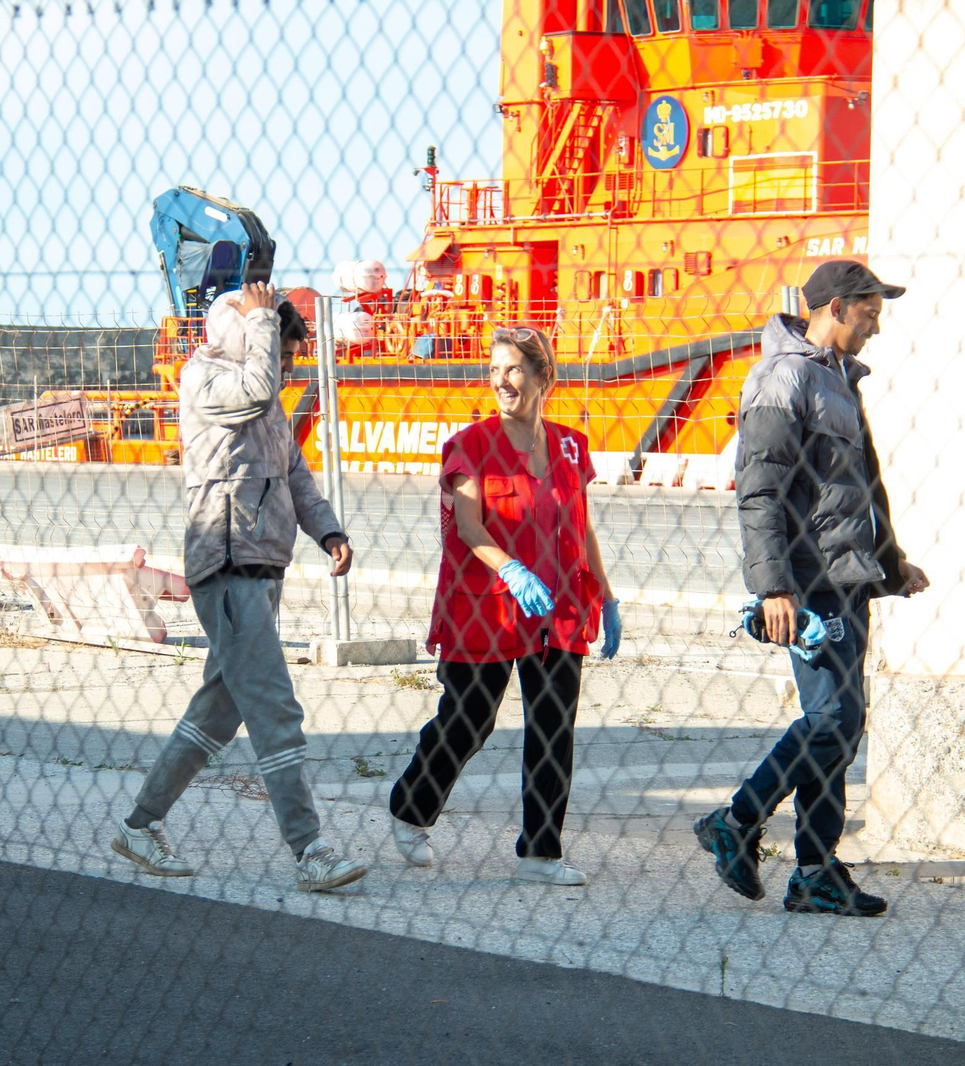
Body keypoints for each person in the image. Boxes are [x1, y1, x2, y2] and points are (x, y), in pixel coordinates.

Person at [110, 282, 368, 893]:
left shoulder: (266, 397)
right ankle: (310, 849)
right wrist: (259, 320)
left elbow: (295, 474)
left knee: (217, 715)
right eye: (284, 352)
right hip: (226, 568)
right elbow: (252, 392)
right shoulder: (205, 378)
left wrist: (328, 531)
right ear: (245, 332)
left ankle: (139, 827)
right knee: (276, 709)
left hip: (260, 568)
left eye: (292, 357)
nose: (287, 366)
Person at [695, 260, 930, 916]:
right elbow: (760, 488)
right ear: (836, 306)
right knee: (832, 721)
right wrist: (773, 587)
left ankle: (815, 872)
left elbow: (863, 490)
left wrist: (892, 563)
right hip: (808, 588)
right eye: (871, 311)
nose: (878, 326)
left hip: (849, 582)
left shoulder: (841, 383)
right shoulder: (785, 376)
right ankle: (736, 821)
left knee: (842, 726)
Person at [388, 325, 622, 886]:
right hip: (487, 603)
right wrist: (512, 570)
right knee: (471, 718)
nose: (501, 381)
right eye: (494, 371)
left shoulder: (571, 444)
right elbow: (469, 526)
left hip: (559, 602)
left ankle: (541, 851)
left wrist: (606, 594)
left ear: (544, 378)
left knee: (553, 724)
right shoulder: (471, 445)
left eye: (514, 369)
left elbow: (581, 523)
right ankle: (411, 809)